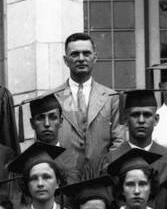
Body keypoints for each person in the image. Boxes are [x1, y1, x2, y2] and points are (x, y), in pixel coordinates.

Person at [96, 88, 167, 209]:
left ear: (156, 119)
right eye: (135, 115)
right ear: (125, 119)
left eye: (147, 115)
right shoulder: (110, 161)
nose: (141, 120)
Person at [52, 32, 124, 166]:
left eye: (86, 53)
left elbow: (119, 141)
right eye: (74, 54)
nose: (81, 58)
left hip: (100, 178)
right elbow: (45, 143)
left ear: (95, 58)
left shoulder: (111, 98)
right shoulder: (52, 98)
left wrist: (105, 170)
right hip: (64, 178)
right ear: (65, 60)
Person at [23, 91, 87, 185]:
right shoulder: (24, 162)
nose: (47, 124)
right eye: (40, 118)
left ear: (61, 121)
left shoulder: (77, 161)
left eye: (53, 117)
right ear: (32, 124)